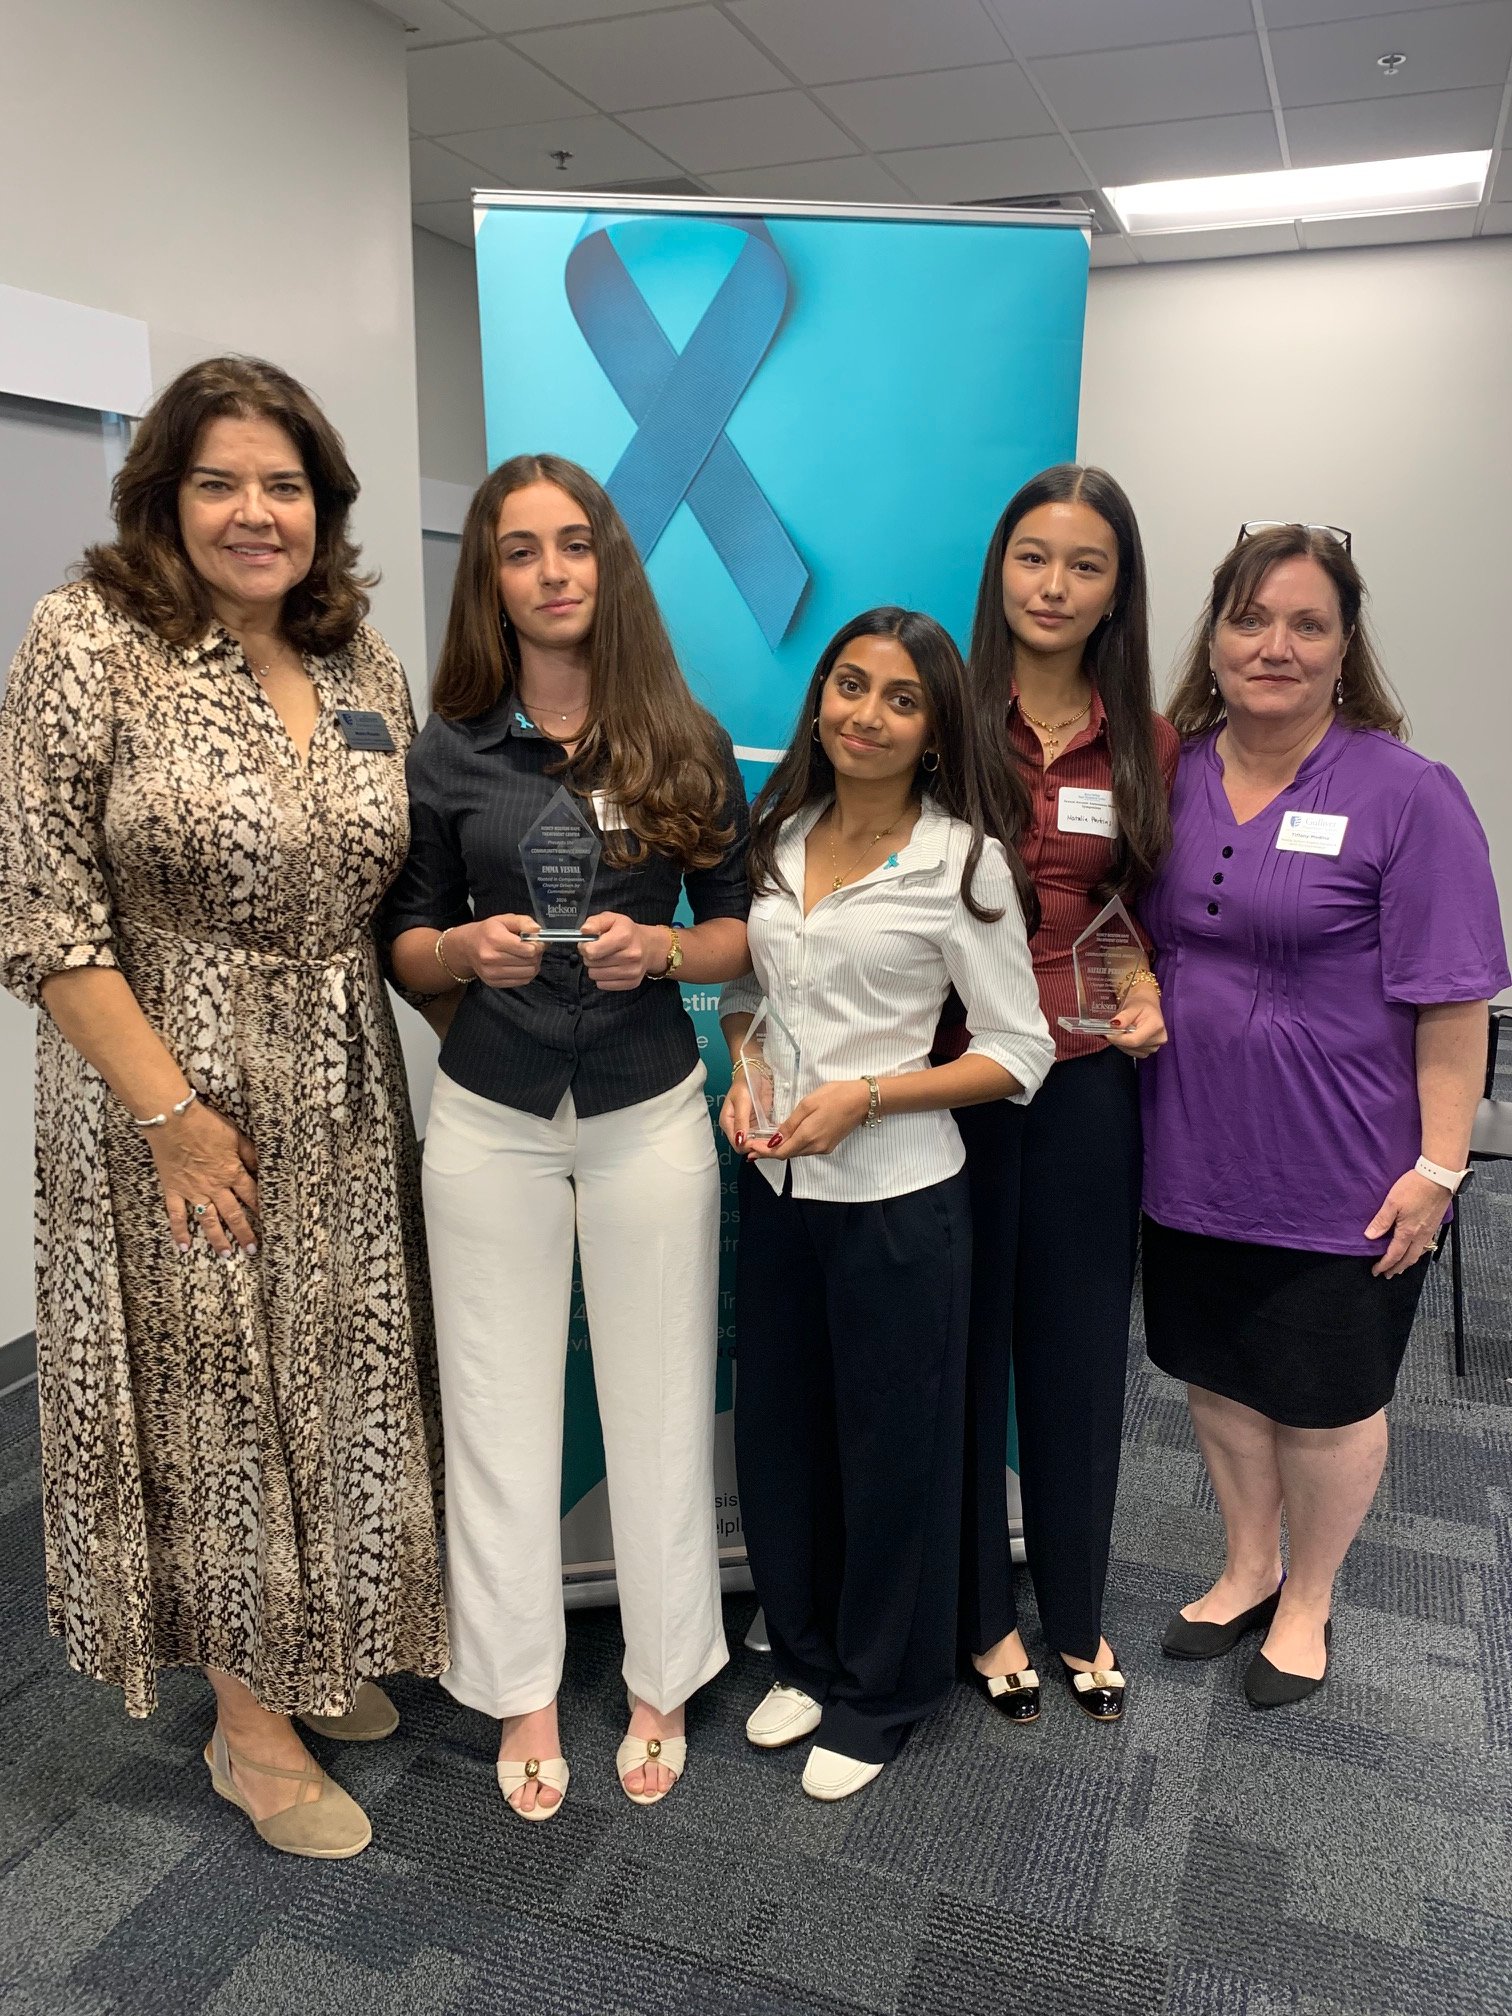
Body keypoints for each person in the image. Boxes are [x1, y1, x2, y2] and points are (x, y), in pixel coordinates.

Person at [0, 357, 447, 1860]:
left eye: (286, 485)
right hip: (168, 1091)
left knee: (333, 1375)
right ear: (163, 498)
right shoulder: (93, 639)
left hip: (340, 1077)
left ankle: (310, 1655)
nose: (257, 514)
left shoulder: (365, 660)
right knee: (214, 1405)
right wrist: (174, 1117)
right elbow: (43, 910)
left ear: (324, 506)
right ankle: (246, 1730)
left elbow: (393, 887)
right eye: (220, 483)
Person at [384, 453, 749, 1819]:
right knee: (495, 1405)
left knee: (657, 1397)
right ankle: (518, 1685)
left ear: (609, 564)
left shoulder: (683, 737)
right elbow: (402, 939)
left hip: (648, 1103)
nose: (551, 572)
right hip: (490, 1114)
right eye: (520, 550)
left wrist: (659, 948)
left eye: (574, 544)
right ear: (491, 576)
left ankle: (663, 1675)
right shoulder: (448, 747)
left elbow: (736, 925)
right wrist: (460, 949)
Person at [1142, 521, 1508, 1706]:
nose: (1276, 646)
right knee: (1218, 1376)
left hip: (1345, 1170)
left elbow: (1456, 1004)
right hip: (1189, 1147)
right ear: (1216, 639)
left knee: (1326, 1397)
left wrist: (1439, 1170)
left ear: (1346, 647)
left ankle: (1310, 1599)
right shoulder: (1174, 772)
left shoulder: (1408, 795)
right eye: (1251, 620)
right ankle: (1248, 1565)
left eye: (1308, 624)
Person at [719, 607, 1054, 1802]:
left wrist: (867, 1096)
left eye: (899, 699)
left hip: (901, 1205)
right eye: (849, 687)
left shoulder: (964, 863)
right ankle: (804, 1655)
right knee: (783, 1434)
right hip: (777, 1191)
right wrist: (748, 1059)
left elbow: (1019, 1054)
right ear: (820, 702)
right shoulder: (779, 833)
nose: (866, 713)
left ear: (932, 730)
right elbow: (754, 993)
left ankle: (885, 1689)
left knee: (892, 1454)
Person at [936, 465, 1177, 1728]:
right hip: (954, 1080)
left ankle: (1076, 1613)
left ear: (1115, 591)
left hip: (1085, 1086)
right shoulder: (939, 714)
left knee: (1081, 1356)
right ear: (1001, 569)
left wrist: (1142, 993)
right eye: (1034, 556)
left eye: (1086, 565)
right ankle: (981, 1615)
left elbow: (1137, 913)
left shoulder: (1143, 740)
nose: (1055, 585)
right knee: (965, 1345)